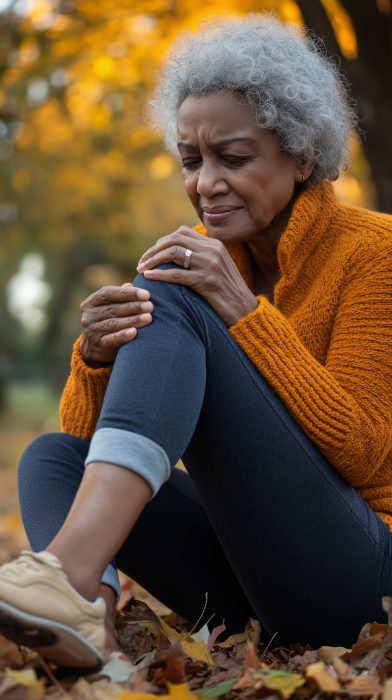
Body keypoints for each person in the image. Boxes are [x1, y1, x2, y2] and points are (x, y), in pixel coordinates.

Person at [0, 12, 391, 673]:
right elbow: (100, 449)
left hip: (361, 581)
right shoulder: (219, 263)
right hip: (253, 590)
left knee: (181, 284)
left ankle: (63, 579)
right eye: (191, 159)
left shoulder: (376, 254)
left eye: (232, 158)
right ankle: (86, 616)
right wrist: (95, 360)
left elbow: (367, 453)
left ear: (300, 155)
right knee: (53, 459)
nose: (205, 183)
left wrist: (244, 317)